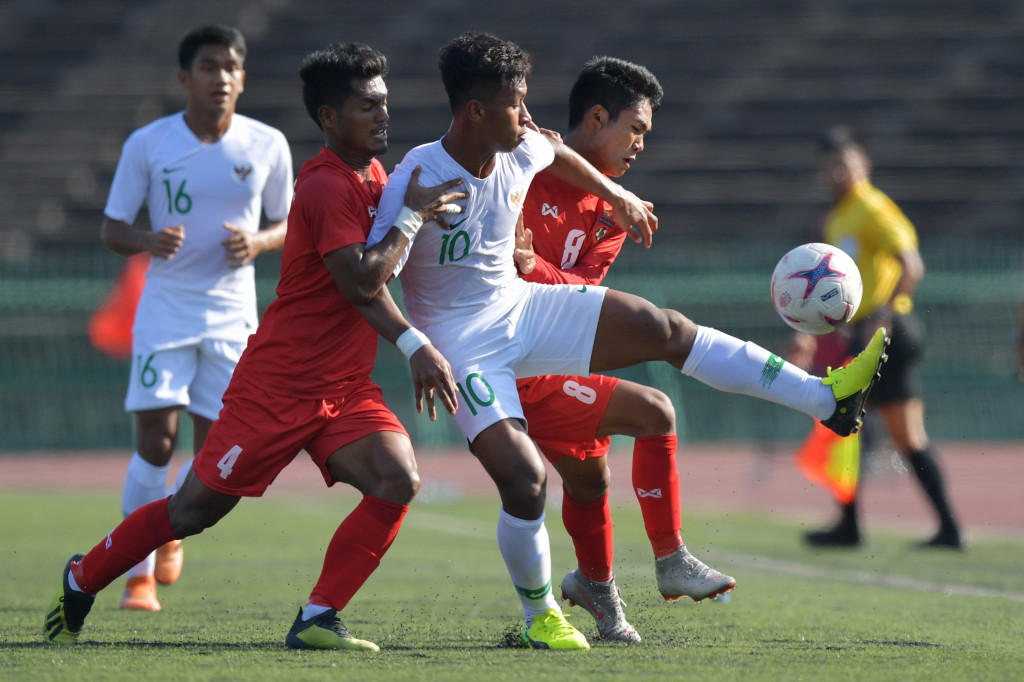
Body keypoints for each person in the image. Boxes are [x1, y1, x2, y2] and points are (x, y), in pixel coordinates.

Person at [365, 31, 889, 650]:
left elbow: (554, 154)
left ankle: (827, 401)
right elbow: (368, 279)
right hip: (465, 349)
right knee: (528, 480)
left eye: (527, 99)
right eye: (516, 103)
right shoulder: (418, 174)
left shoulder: (528, 150)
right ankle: (544, 614)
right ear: (477, 110)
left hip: (524, 313)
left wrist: (613, 195)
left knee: (662, 331)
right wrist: (414, 332)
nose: (528, 115)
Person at [44, 42, 466, 650]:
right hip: (278, 387)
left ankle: (318, 616)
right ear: (329, 118)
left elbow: (375, 275)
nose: (382, 115)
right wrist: (411, 234)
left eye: (383, 103)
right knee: (192, 512)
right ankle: (82, 577)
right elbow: (361, 283)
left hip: (343, 388)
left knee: (397, 477)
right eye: (366, 106)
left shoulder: (374, 176)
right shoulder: (324, 186)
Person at [511, 56, 733, 644]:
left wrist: (535, 266)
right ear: (597, 116)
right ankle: (671, 558)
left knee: (589, 481)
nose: (640, 145)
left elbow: (580, 292)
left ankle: (595, 588)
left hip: (553, 357)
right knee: (655, 410)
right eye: (635, 128)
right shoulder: (528, 168)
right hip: (509, 361)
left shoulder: (615, 212)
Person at [98, 25, 294, 611]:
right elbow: (111, 228)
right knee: (156, 441)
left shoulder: (267, 144)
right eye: (209, 67)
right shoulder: (149, 144)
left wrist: (258, 242)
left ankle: (171, 530)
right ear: (186, 78)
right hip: (165, 310)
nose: (220, 78)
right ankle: (136, 575)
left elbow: (290, 224)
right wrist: (147, 240)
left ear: (243, 78)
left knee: (214, 451)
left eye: (230, 67)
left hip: (232, 316)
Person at [789, 126, 964, 549]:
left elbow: (912, 265)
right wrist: (809, 332)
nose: (837, 172)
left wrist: (884, 314)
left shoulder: (873, 207)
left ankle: (861, 528)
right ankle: (941, 529)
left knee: (857, 428)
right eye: (831, 165)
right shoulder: (839, 217)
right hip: (869, 336)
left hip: (887, 333)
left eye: (845, 164)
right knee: (874, 432)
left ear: (864, 166)